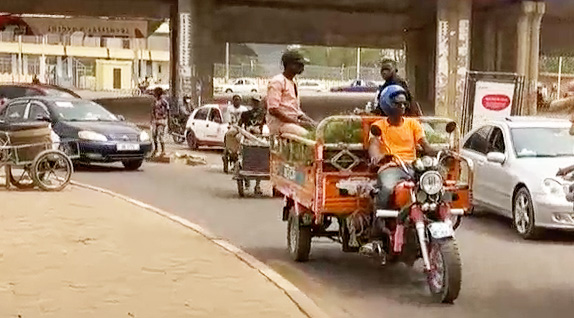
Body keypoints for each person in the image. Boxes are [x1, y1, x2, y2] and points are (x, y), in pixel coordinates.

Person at [369, 85, 436, 210]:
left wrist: (440, 153)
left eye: (404, 104)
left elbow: (425, 145)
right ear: (388, 105)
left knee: (433, 185)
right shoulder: (378, 126)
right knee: (386, 188)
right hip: (391, 166)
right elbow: (374, 145)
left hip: (414, 166)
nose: (402, 107)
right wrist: (377, 157)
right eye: (398, 104)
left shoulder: (413, 124)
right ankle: (379, 219)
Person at [266, 50, 316, 137]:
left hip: (291, 122)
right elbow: (273, 110)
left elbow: (295, 110)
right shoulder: (277, 81)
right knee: (307, 136)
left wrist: (311, 122)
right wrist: (297, 122)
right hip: (280, 124)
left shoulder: (293, 82)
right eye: (299, 64)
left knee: (317, 130)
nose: (302, 67)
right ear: (289, 64)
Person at [151, 87, 169, 156]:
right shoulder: (155, 101)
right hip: (155, 120)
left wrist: (166, 118)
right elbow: (153, 110)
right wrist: (152, 118)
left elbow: (167, 110)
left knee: (160, 135)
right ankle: (156, 149)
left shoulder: (163, 101)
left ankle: (163, 150)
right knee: (154, 135)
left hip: (162, 120)